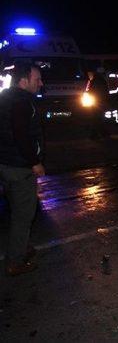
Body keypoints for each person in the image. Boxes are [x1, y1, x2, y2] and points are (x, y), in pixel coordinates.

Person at [0, 63, 44, 276]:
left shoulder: (5, 97)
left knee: (15, 207)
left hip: (5, 163)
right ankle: (15, 261)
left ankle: (21, 245)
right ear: (24, 81)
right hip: (19, 166)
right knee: (23, 214)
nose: (41, 83)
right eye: (37, 79)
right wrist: (34, 162)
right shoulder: (22, 102)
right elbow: (21, 136)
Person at [86, 67, 110, 140]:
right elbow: (104, 92)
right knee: (98, 119)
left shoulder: (93, 81)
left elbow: (89, 91)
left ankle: (99, 134)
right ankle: (97, 135)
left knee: (96, 118)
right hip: (100, 102)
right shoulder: (102, 81)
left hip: (95, 102)